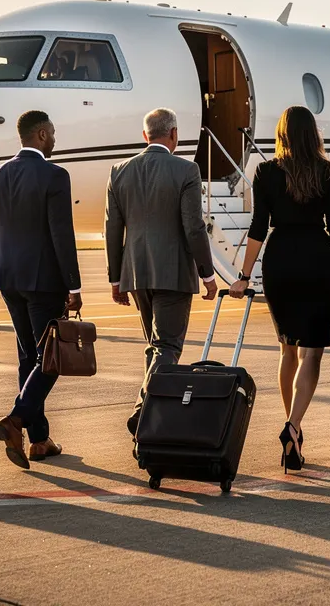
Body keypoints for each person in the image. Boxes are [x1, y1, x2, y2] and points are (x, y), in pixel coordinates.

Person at [229, 105, 330, 472]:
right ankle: (294, 426)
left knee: (287, 350)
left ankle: (292, 430)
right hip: (316, 262)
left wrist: (243, 274)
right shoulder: (328, 172)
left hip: (280, 263)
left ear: (282, 134)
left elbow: (257, 228)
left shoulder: (266, 172)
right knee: (311, 354)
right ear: (313, 134)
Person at [0, 110, 83, 469]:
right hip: (44, 281)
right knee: (51, 358)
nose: (55, 139)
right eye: (53, 133)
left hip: (8, 280)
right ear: (43, 135)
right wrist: (73, 285)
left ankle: (38, 440)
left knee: (28, 358)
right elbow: (61, 234)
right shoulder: (55, 175)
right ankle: (15, 420)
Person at [105, 108, 219, 436]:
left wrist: (116, 278)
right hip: (173, 272)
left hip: (137, 273)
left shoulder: (119, 171)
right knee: (167, 346)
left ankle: (153, 422)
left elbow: (112, 229)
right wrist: (208, 275)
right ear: (173, 135)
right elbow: (193, 227)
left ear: (145, 136)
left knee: (155, 346)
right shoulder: (186, 170)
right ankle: (144, 407)